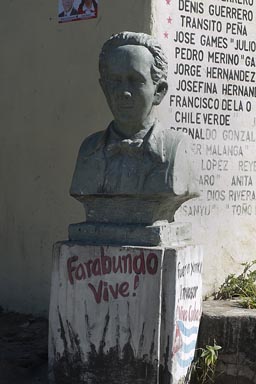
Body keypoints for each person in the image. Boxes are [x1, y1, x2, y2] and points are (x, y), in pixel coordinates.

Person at [70, 32, 198, 200]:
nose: (124, 92)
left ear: (159, 91)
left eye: (135, 80)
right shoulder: (89, 150)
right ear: (104, 88)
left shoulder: (176, 148)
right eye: (115, 80)